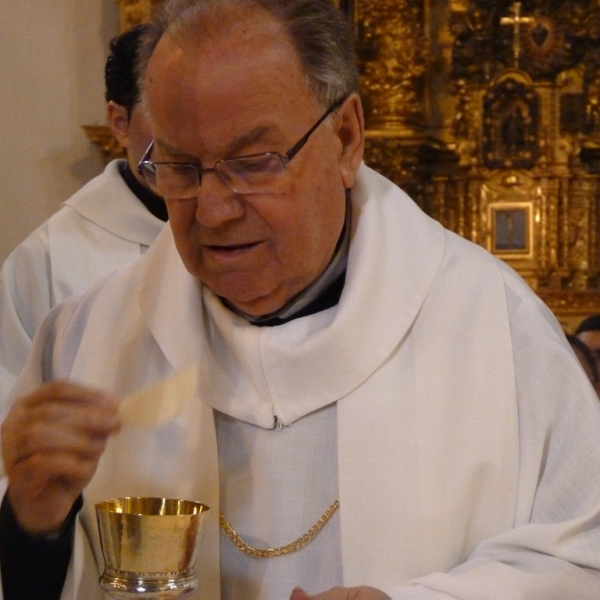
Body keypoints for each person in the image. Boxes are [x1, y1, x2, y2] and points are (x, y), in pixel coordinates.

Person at [2, 1, 600, 598]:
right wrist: (33, 525)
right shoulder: (88, 340)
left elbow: (584, 559)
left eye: (254, 162)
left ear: (346, 138)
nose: (212, 210)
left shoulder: (495, 329)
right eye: (180, 168)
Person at [0, 24, 167, 407]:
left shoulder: (242, 234)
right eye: (165, 113)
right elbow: (12, 427)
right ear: (119, 123)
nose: (188, 134)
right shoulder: (47, 259)